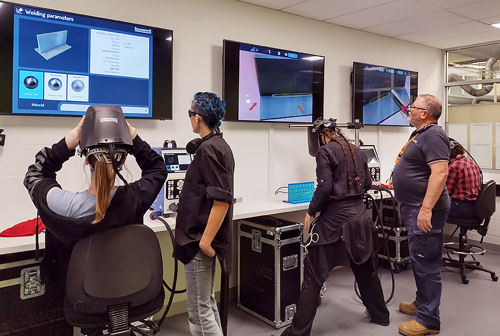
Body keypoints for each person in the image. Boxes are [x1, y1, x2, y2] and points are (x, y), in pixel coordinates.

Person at [23, 105, 168, 296]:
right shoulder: (135, 199)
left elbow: (34, 174)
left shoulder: (63, 205)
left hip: (80, 300)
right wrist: (134, 138)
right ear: (122, 161)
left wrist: (68, 142)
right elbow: (158, 169)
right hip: (129, 293)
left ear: (85, 160)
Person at [281, 118, 390, 336]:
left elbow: (324, 187)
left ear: (321, 136)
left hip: (334, 224)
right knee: (366, 270)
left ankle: (297, 333)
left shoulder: (324, 152)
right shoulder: (358, 150)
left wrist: (311, 211)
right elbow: (367, 184)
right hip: (360, 222)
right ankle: (381, 316)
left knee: (313, 275)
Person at [174, 92, 235, 336]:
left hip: (199, 242)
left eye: (190, 114)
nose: (190, 119)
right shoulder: (217, 146)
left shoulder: (209, 151)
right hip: (201, 239)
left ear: (197, 118)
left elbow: (222, 201)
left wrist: (205, 241)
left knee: (199, 314)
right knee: (207, 305)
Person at [390, 94, 450, 336]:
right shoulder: (421, 134)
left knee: (427, 262)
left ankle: (428, 320)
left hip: (425, 209)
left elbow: (440, 174)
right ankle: (422, 303)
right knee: (419, 258)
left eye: (413, 106)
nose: (409, 109)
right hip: (414, 206)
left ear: (424, 113)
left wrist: (425, 209)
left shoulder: (434, 135)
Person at [447, 140, 482, 219]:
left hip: (461, 208)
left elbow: (447, 191)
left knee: (434, 210)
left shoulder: (454, 166)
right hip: (474, 206)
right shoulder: (472, 162)